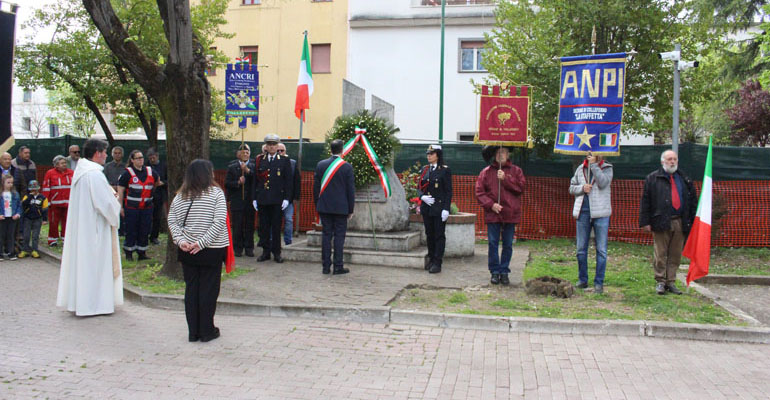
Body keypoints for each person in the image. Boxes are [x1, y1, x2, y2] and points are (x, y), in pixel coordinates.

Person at [56, 138, 123, 316]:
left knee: (84, 265)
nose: (106, 155)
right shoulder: (94, 175)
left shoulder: (81, 172)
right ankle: (95, 305)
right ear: (97, 153)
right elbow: (105, 204)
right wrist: (115, 203)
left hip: (84, 228)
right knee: (95, 265)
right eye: (105, 152)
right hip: (95, 229)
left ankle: (82, 303)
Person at [167, 159, 228, 342]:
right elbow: (219, 221)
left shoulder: (180, 196)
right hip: (212, 249)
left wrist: (181, 241)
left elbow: (172, 221)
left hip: (187, 249)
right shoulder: (216, 193)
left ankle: (193, 331)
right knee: (209, 290)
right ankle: (207, 330)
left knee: (192, 290)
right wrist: (202, 243)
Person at [639, 149, 697, 295]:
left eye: (674, 159)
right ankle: (660, 280)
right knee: (660, 253)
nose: (672, 162)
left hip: (680, 221)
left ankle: (671, 281)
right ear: (662, 161)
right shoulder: (653, 178)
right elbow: (645, 201)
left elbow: (692, 201)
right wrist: (645, 221)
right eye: (669, 159)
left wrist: (692, 220)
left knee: (675, 254)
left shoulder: (684, 179)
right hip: (660, 220)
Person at [475, 146, 525, 285]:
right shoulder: (486, 172)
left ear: (508, 154)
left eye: (503, 152)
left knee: (508, 244)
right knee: (493, 243)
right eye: (497, 152)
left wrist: (505, 179)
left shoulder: (516, 171)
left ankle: (504, 271)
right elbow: (479, 192)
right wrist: (491, 205)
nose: (500, 154)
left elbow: (520, 188)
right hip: (493, 214)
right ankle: (495, 272)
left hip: (510, 213)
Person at [568, 152, 613, 294]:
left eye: (595, 153)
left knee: (601, 250)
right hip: (583, 212)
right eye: (590, 154)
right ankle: (582, 279)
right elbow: (571, 188)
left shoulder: (607, 168)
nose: (592, 155)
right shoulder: (580, 168)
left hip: (601, 213)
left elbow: (603, 183)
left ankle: (599, 283)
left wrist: (594, 166)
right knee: (581, 249)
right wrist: (582, 188)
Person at [313, 139, 355, 275]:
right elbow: (350, 191)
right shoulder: (347, 167)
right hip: (341, 208)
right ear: (342, 150)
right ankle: (338, 266)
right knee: (339, 237)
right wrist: (350, 209)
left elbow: (316, 188)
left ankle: (326, 266)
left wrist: (318, 204)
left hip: (324, 207)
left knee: (326, 236)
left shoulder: (320, 165)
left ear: (330, 150)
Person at [252, 134, 292, 263]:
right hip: (263, 199)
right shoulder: (260, 160)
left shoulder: (284, 160)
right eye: (269, 145)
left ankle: (277, 253)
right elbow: (255, 181)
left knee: (276, 228)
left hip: (277, 199)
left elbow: (288, 181)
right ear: (266, 146)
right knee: (264, 227)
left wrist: (286, 198)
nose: (272, 147)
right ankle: (265, 252)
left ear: (277, 146)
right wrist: (254, 198)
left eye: (274, 145)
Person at [117, 150, 159, 261]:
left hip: (146, 207)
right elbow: (120, 191)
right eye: (138, 158)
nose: (140, 160)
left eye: (141, 157)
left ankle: (142, 253)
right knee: (131, 230)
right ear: (132, 160)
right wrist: (120, 207)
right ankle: (129, 253)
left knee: (144, 230)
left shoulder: (150, 171)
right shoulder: (127, 174)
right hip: (131, 208)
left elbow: (157, 182)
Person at [418, 144, 452, 274]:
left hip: (439, 208)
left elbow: (448, 191)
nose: (429, 156)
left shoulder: (444, 170)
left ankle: (438, 262)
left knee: (439, 235)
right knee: (429, 234)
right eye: (428, 154)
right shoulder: (425, 169)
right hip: (427, 207)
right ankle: (431, 259)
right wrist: (422, 197)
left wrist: (446, 209)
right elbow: (419, 187)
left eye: (431, 154)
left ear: (438, 155)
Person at [225, 143, 256, 257]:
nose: (245, 154)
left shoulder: (253, 166)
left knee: (249, 225)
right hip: (237, 200)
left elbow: (256, 180)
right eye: (243, 152)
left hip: (250, 201)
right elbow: (227, 183)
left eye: (247, 152)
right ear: (238, 154)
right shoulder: (232, 167)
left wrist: (247, 171)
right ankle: (238, 248)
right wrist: (238, 182)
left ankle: (249, 248)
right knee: (237, 225)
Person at [41, 155, 73, 246]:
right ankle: (52, 240)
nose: (64, 164)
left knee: (66, 222)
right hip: (54, 204)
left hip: (68, 203)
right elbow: (46, 188)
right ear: (56, 165)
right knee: (53, 222)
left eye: (65, 163)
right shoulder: (50, 173)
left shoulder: (71, 173)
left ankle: (65, 239)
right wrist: (46, 202)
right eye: (62, 163)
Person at [277, 143, 301, 245]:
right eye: (278, 150)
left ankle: (288, 241)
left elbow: (297, 181)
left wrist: (296, 197)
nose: (280, 152)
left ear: (285, 151)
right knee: (275, 221)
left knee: (288, 219)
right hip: (275, 198)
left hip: (289, 199)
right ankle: (273, 241)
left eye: (281, 150)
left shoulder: (292, 163)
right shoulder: (272, 162)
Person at [18, 180, 48, 259]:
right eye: (32, 189)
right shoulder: (27, 196)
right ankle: (24, 250)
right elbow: (23, 204)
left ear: (38, 188)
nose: (34, 191)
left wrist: (45, 219)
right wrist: (30, 197)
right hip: (28, 218)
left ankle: (35, 250)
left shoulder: (43, 198)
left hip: (38, 218)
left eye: (35, 189)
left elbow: (45, 209)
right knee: (26, 235)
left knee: (35, 235)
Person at [146, 148, 168, 245]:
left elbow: (169, 179)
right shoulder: (146, 166)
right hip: (147, 195)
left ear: (157, 156)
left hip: (159, 194)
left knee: (157, 217)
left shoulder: (164, 166)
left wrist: (162, 183)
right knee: (146, 216)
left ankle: (154, 237)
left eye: (153, 157)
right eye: (150, 158)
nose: (152, 159)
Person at [103, 146, 126, 236]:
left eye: (119, 153)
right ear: (112, 154)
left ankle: (122, 230)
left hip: (122, 192)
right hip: (110, 192)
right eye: (115, 153)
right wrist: (111, 187)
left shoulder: (125, 167)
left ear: (122, 154)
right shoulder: (107, 166)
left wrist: (120, 187)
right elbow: (104, 179)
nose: (117, 155)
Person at [0, 175, 22, 260]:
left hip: (12, 217)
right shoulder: (1, 194)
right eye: (8, 182)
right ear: (3, 183)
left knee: (11, 235)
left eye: (12, 183)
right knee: (1, 235)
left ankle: (11, 252)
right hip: (2, 217)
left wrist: (17, 214)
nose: (10, 184)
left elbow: (19, 205)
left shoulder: (15, 194)